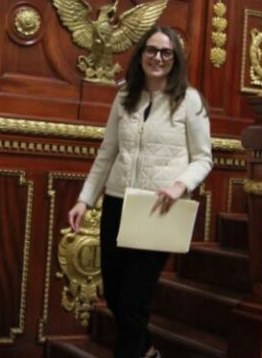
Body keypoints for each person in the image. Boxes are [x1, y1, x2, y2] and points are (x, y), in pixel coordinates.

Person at [68, 26, 213, 358]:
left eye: (165, 52)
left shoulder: (189, 100)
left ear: (175, 58)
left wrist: (180, 184)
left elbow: (204, 158)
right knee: (114, 295)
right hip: (117, 203)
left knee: (135, 301)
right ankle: (146, 351)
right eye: (151, 50)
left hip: (158, 208)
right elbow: (107, 153)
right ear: (141, 55)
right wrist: (84, 200)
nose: (157, 58)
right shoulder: (124, 97)